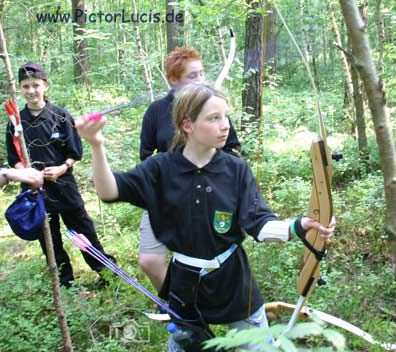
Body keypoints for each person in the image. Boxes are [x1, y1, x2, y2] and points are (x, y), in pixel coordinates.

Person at [76, 83, 335, 351]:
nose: (225, 126)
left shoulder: (235, 169)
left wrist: (299, 226)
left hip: (233, 281)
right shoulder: (160, 168)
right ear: (187, 125)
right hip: (185, 286)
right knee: (185, 343)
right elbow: (108, 191)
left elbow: (259, 224)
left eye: (225, 116)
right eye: (214, 118)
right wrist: (97, 144)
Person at [138, 47, 241, 290]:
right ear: (174, 80)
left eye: (201, 74)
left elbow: (233, 149)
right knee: (150, 260)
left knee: (202, 259)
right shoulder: (156, 111)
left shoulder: (213, 107)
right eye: (191, 76)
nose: (200, 81)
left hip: (207, 195)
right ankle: (176, 301)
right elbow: (145, 154)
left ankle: (199, 306)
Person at [5, 62, 115, 288]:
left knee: (84, 231)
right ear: (20, 89)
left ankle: (107, 275)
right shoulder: (16, 121)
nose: (32, 91)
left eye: (36, 85)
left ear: (45, 86)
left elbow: (75, 153)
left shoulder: (61, 116)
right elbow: (13, 157)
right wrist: (24, 173)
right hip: (34, 192)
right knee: (49, 240)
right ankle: (65, 284)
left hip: (64, 187)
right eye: (26, 86)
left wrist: (61, 168)